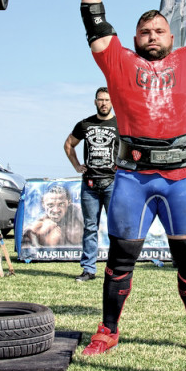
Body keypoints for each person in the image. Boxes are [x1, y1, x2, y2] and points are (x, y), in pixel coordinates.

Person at [77, 0, 186, 356]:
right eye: (144, 31)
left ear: (171, 35)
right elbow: (95, 21)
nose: (152, 36)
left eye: (159, 30)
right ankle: (108, 330)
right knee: (119, 258)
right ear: (134, 36)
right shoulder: (118, 62)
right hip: (132, 178)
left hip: (182, 178)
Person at [63, 87, 119, 282]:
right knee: (90, 227)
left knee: (116, 228)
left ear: (112, 102)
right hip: (90, 185)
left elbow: (132, 146)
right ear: (95, 102)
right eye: (100, 100)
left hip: (113, 183)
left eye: (107, 99)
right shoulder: (85, 124)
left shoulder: (120, 124)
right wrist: (77, 165)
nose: (104, 103)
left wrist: (125, 166)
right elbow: (68, 144)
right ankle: (89, 269)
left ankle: (116, 269)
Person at [23, 183, 83, 248]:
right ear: (43, 204)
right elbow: (26, 247)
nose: (56, 210)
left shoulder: (80, 213)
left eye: (61, 204)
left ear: (69, 202)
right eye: (50, 205)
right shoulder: (38, 226)